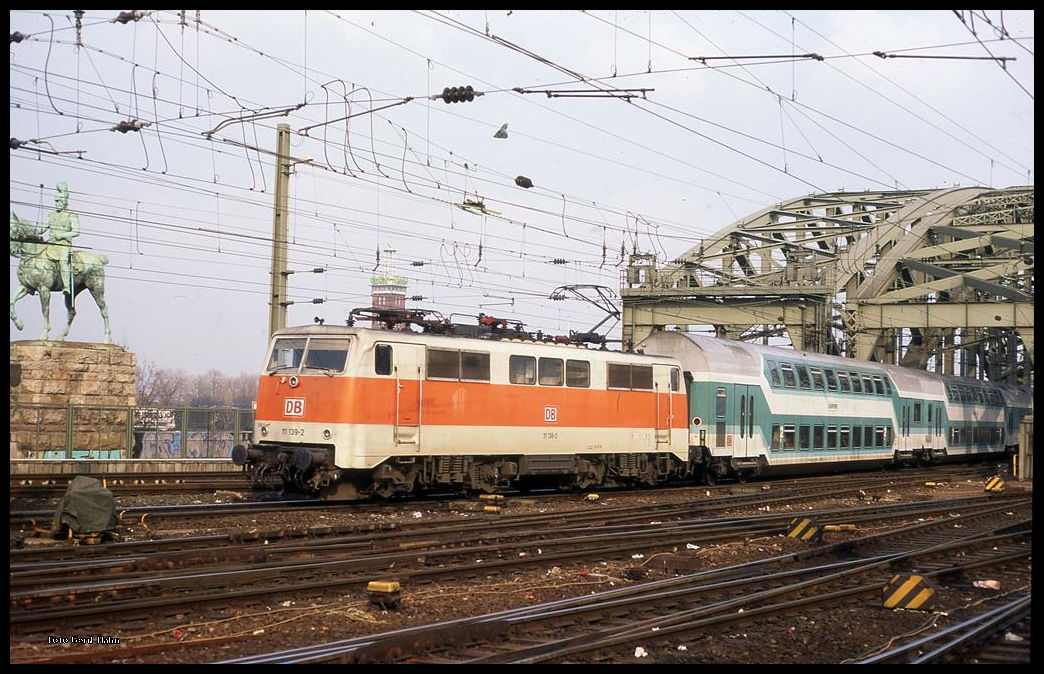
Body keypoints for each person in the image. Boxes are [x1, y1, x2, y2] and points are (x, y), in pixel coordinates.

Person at [45, 181, 80, 297]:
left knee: (63, 262)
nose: (57, 203)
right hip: (50, 243)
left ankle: (66, 286)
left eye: (59, 201)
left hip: (63, 244)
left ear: (65, 202)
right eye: (56, 201)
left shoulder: (71, 215)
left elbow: (76, 231)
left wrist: (62, 235)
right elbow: (42, 229)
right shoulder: (51, 215)